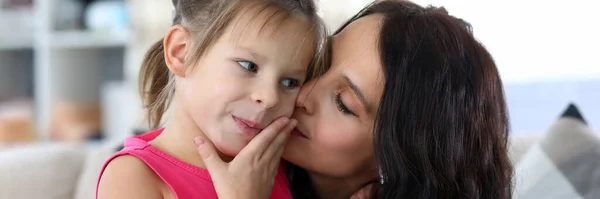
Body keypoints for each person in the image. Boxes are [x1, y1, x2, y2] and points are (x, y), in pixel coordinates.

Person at [196, 0, 514, 198]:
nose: (302, 94)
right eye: (320, 62)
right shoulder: (223, 152)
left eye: (343, 103)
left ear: (399, 156)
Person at [96, 0, 327, 198]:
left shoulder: (278, 168)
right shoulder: (133, 177)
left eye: (289, 82)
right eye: (249, 66)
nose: (269, 98)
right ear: (181, 52)